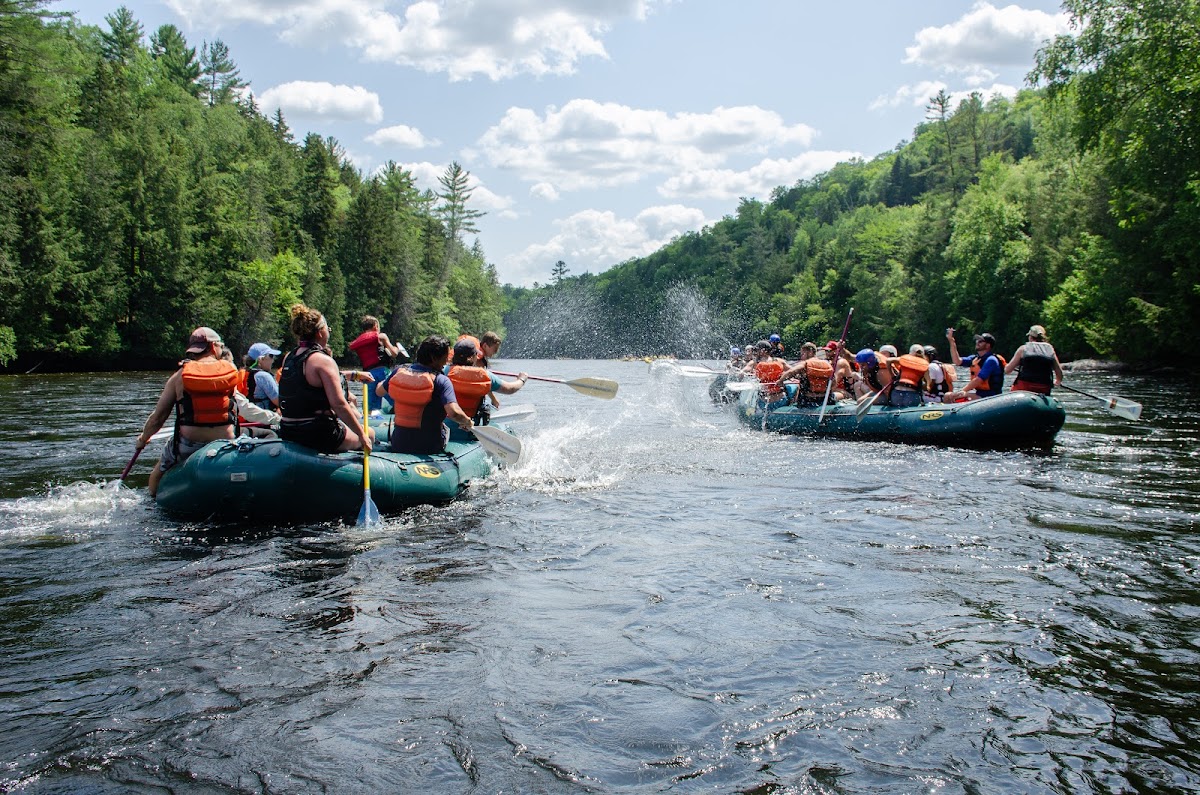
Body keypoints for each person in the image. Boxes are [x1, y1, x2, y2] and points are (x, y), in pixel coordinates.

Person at [134, 327, 240, 498]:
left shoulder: (180, 376)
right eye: (220, 345)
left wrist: (143, 439)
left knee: (155, 477)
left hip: (188, 446)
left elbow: (158, 418)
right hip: (225, 444)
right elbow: (234, 408)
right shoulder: (229, 372)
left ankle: (152, 500)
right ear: (213, 347)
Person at [278, 304, 373, 454]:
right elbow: (339, 404)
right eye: (327, 327)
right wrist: (362, 435)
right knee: (371, 434)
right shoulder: (323, 361)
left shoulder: (289, 358)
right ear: (320, 333)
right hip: (318, 433)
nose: (329, 331)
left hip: (288, 430)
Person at [379, 335, 474, 454]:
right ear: (434, 358)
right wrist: (468, 422)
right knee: (445, 428)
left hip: (399, 443)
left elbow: (379, 391)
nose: (447, 361)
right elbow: (453, 412)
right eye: (445, 357)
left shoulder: (399, 372)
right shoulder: (441, 381)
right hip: (428, 446)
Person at [348, 315, 404, 412]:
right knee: (395, 398)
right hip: (382, 372)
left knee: (370, 408)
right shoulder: (381, 336)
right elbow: (394, 353)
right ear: (375, 326)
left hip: (367, 375)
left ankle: (372, 423)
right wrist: (397, 349)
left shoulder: (359, 342)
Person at [944, 329, 1004, 401]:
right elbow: (957, 361)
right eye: (977, 340)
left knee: (954, 397)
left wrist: (962, 391)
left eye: (980, 341)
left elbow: (978, 380)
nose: (977, 342)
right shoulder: (975, 358)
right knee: (947, 395)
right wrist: (951, 341)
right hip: (980, 394)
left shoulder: (991, 360)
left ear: (988, 345)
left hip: (991, 396)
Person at [1005, 324, 1063, 394]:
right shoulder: (1050, 349)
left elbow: (1008, 370)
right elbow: (1059, 373)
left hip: (1024, 387)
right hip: (1044, 387)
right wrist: (1057, 382)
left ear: (1030, 337)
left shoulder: (1023, 349)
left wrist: (1004, 366)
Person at [245, 342, 281, 410]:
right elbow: (279, 401)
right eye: (271, 356)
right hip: (264, 418)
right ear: (260, 359)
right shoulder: (263, 376)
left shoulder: (246, 373)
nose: (273, 360)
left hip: (249, 416)